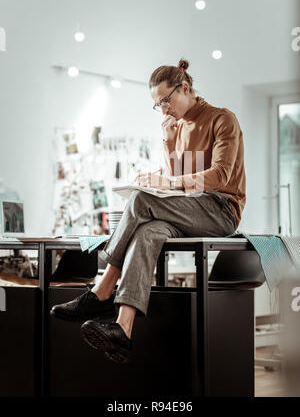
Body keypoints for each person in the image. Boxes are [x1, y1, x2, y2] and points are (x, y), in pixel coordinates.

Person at [51, 58, 246, 364]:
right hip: (188, 211)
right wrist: (168, 144)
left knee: (141, 200)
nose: (164, 110)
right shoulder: (177, 128)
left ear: (185, 88)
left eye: (166, 101)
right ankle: (123, 330)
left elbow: (219, 176)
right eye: (158, 105)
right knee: (146, 232)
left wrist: (164, 182)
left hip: (219, 211)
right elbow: (179, 181)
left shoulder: (223, 119)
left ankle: (102, 289)